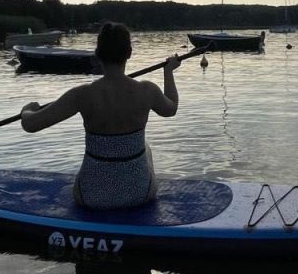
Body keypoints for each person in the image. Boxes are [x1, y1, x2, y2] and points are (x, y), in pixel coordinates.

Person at [20, 22, 180, 209]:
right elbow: (172, 108)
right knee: (145, 147)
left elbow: (30, 124)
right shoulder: (147, 90)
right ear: (129, 53)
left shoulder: (81, 94)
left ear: (98, 55)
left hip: (90, 196)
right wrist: (168, 72)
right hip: (139, 193)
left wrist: (27, 109)